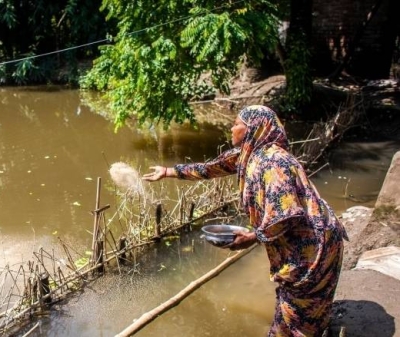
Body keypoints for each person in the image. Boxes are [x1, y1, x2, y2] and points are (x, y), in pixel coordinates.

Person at [142, 105, 347, 337]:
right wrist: (169, 171)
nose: (231, 128)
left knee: (294, 322)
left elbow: (286, 214)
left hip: (314, 248)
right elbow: (212, 168)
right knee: (306, 313)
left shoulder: (273, 163)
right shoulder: (250, 154)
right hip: (307, 242)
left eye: (237, 123)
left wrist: (251, 237)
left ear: (253, 129)